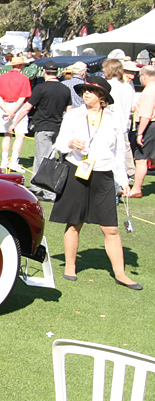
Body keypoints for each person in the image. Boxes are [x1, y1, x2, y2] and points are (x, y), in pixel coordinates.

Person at [51, 76, 140, 290]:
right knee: (74, 223)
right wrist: (70, 143)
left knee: (111, 229)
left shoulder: (113, 119)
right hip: (77, 172)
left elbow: (118, 152)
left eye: (90, 91)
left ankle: (120, 273)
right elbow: (59, 143)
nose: (86, 94)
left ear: (102, 97)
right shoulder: (73, 115)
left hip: (104, 175)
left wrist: (122, 180)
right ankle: (70, 266)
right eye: (84, 91)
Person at [9, 62, 72, 200]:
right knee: (42, 157)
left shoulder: (41, 88)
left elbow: (27, 108)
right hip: (58, 127)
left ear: (44, 71)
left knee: (45, 160)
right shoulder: (65, 89)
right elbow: (69, 111)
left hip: (44, 127)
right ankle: (36, 186)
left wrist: (15, 122)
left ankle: (49, 193)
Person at [0, 55, 31, 173]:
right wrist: (13, 111)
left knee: (7, 134)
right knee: (20, 135)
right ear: (21, 66)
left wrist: (6, 110)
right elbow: (22, 97)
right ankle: (14, 160)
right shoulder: (24, 79)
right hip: (17, 106)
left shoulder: (2, 77)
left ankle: (5, 159)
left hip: (4, 105)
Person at [129, 65, 155, 198]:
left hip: (149, 125)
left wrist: (140, 133)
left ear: (144, 76)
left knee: (141, 159)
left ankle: (136, 189)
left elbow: (146, 114)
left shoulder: (149, 90)